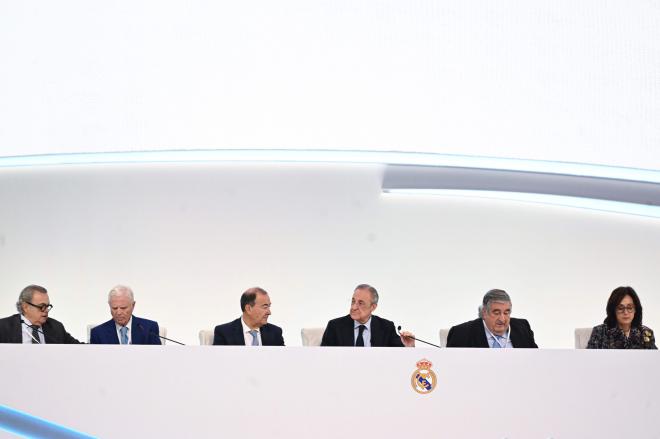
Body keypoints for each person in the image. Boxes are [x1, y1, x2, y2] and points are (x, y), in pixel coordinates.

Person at [321, 284, 415, 347]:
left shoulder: (386, 327)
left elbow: (399, 358)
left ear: (373, 307)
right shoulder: (335, 326)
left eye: (361, 303)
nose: (354, 307)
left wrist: (409, 347)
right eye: (353, 301)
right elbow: (323, 357)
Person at [446, 289, 537, 348]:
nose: (502, 319)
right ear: (484, 313)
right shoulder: (461, 333)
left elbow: (536, 360)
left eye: (506, 313)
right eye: (496, 313)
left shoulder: (523, 328)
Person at [0, 284, 80, 344]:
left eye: (47, 306)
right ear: (25, 307)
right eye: (42, 306)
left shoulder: (56, 327)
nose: (46, 310)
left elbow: (79, 348)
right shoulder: (3, 327)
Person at [587, 286, 657, 349]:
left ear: (635, 309)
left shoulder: (646, 333)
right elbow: (589, 359)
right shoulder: (600, 332)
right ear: (613, 310)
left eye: (629, 307)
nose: (625, 312)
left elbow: (654, 360)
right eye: (620, 308)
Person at [90, 285, 161, 345]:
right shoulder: (98, 333)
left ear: (133, 305)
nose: (118, 312)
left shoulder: (149, 328)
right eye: (114, 308)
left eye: (123, 308)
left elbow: (157, 357)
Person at [213, 287, 285, 346]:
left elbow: (283, 360)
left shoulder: (275, 333)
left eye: (269, 306)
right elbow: (219, 361)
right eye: (265, 307)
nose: (269, 312)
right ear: (248, 309)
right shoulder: (224, 333)